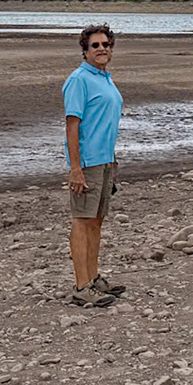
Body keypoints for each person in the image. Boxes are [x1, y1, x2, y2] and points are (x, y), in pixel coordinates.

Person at [63, 24, 125, 308]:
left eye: (106, 45)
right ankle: (81, 286)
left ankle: (93, 278)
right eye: (96, 46)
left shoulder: (105, 79)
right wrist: (75, 168)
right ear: (85, 50)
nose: (102, 49)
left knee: (96, 221)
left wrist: (112, 159)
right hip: (87, 162)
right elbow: (72, 126)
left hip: (105, 161)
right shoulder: (79, 80)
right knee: (82, 220)